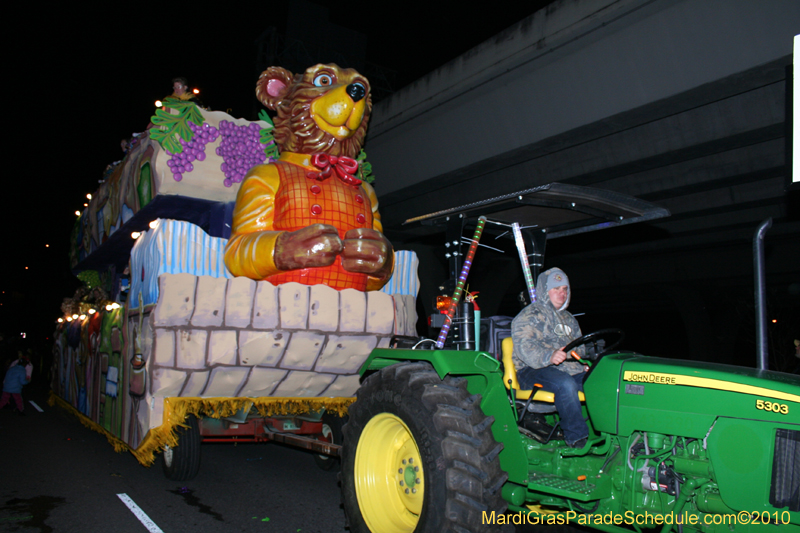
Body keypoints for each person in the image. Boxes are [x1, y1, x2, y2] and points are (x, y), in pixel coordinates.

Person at [511, 268, 588, 448]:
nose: (562, 293)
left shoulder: (569, 319)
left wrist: (583, 365)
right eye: (556, 289)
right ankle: (576, 438)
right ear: (545, 290)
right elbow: (525, 348)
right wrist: (549, 356)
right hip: (532, 370)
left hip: (565, 370)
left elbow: (580, 348)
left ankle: (610, 436)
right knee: (565, 384)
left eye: (565, 289)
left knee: (600, 382)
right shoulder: (529, 315)